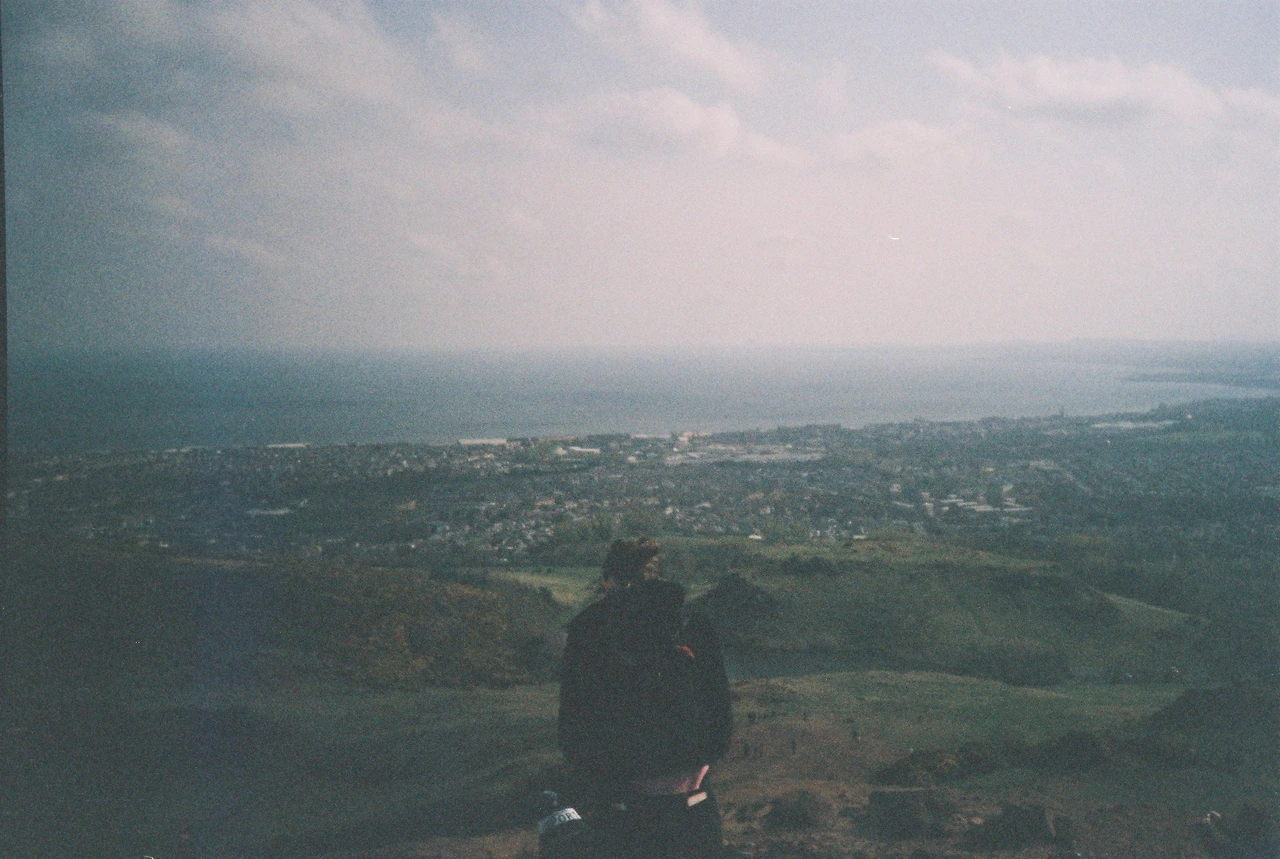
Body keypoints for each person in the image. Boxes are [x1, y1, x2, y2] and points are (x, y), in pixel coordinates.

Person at [558, 538, 733, 859]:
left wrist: (611, 779)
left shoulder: (588, 630)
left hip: (624, 809)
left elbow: (573, 731)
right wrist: (698, 766)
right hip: (693, 800)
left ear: (608, 580)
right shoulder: (695, 625)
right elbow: (721, 717)